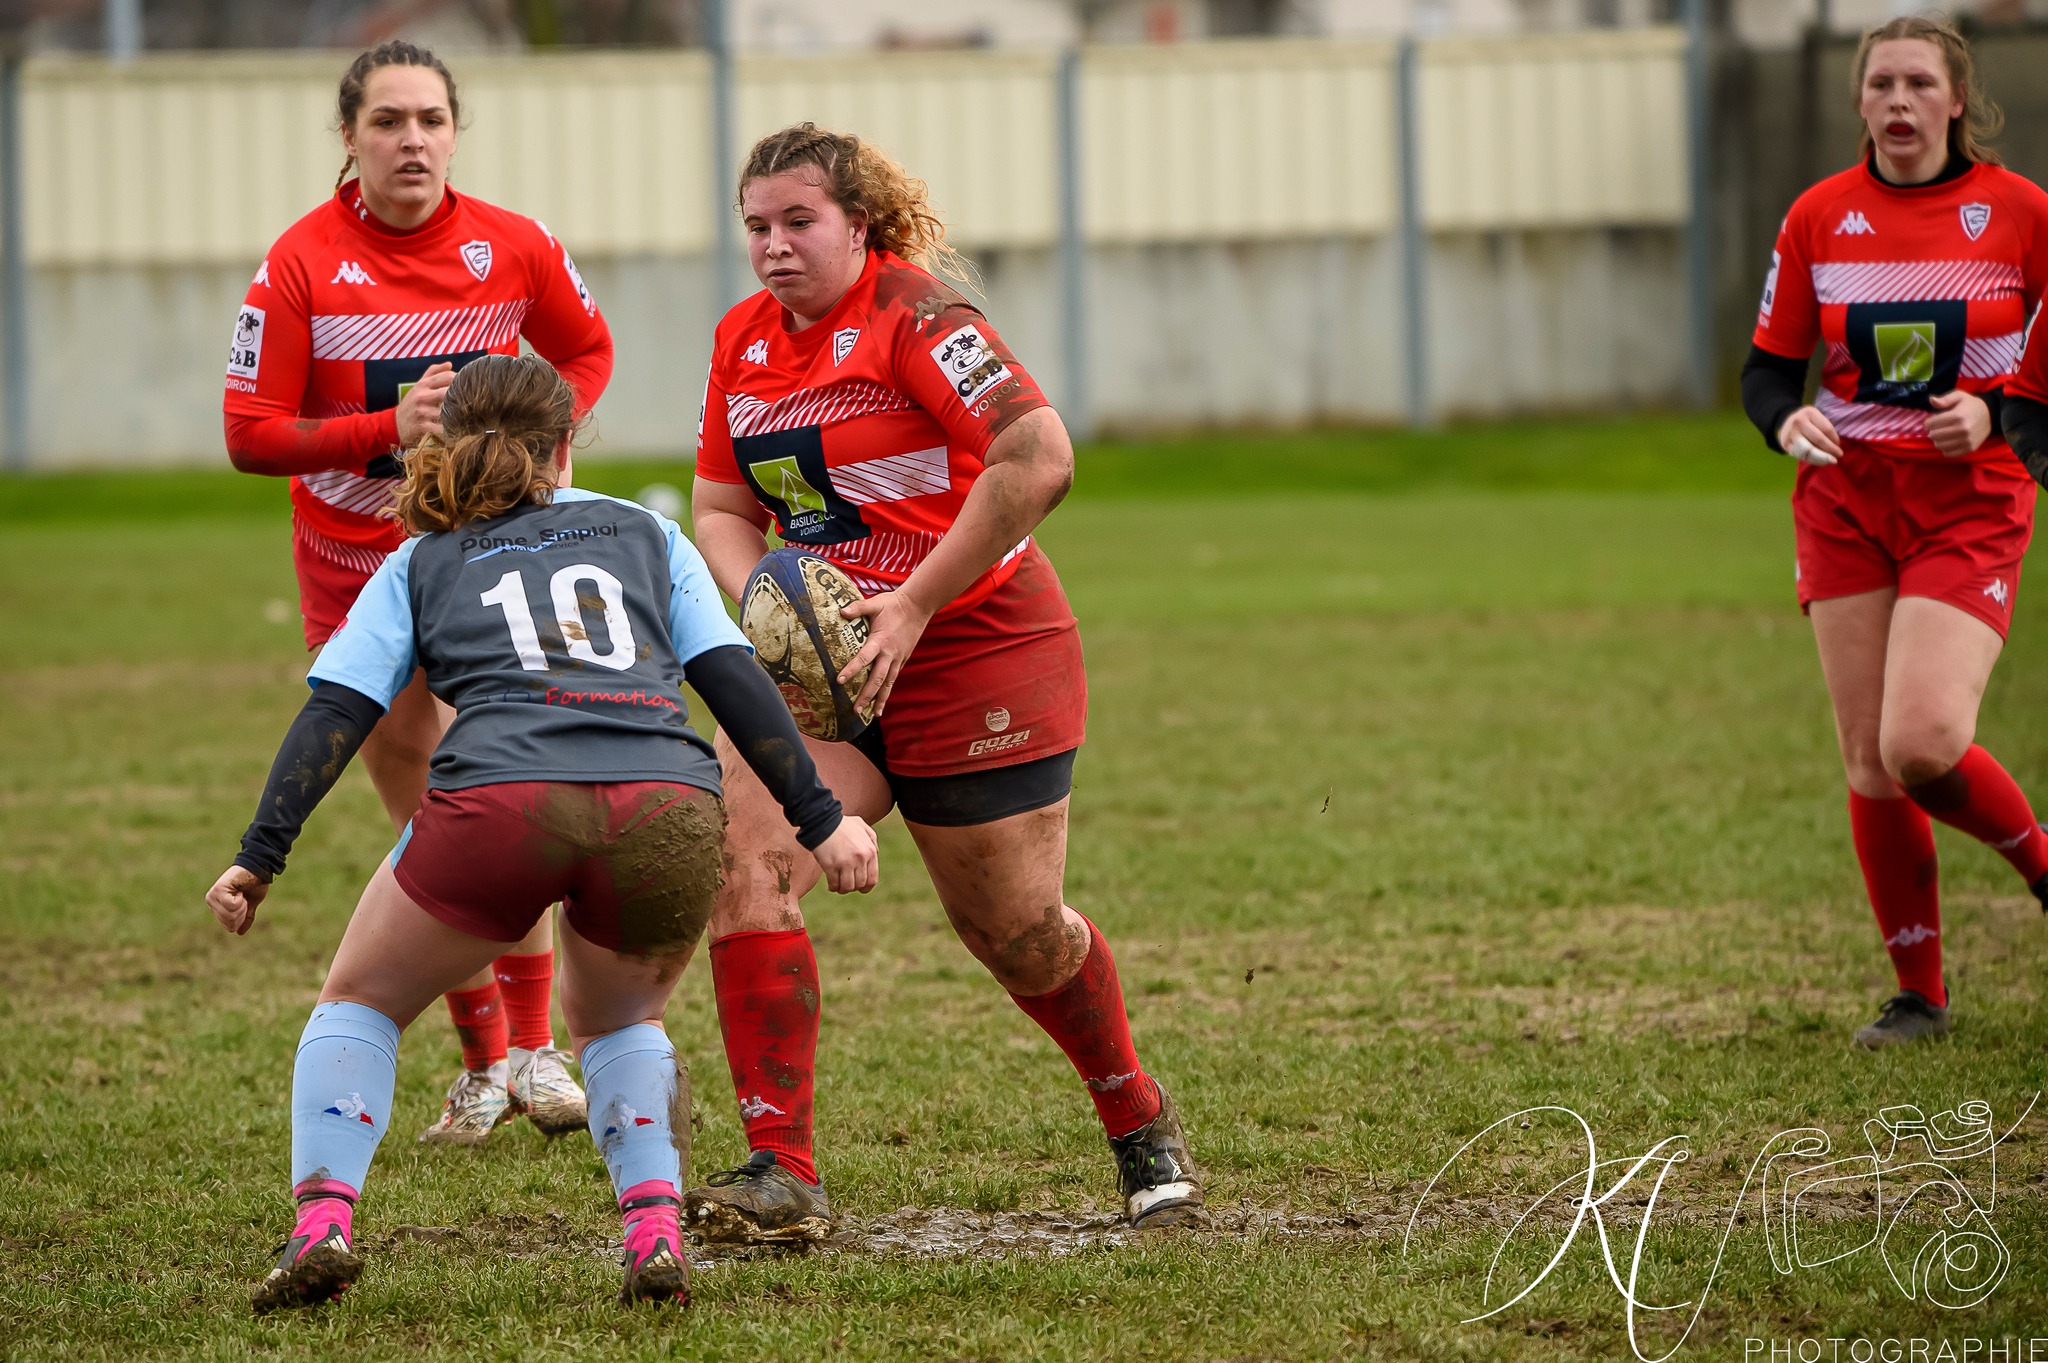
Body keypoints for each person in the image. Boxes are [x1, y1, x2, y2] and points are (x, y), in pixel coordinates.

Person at [204, 354, 880, 1313]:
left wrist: (258, 855)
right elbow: (734, 679)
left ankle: (321, 1226)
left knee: (357, 1000)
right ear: (567, 444)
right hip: (667, 805)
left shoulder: (422, 556)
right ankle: (653, 1231)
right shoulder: (648, 532)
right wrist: (822, 818)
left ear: (442, 447)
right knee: (618, 1023)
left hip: (499, 804)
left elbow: (336, 713)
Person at [683, 122, 1201, 1240]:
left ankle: (1135, 1112)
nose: (773, 247)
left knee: (1014, 932)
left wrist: (912, 601)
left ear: (855, 223)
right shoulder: (742, 342)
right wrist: (765, 608)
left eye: (798, 222)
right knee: (744, 850)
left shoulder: (920, 319)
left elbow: (1040, 456)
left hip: (974, 647)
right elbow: (722, 511)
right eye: (756, 227)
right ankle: (781, 1171)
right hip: (826, 676)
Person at [221, 40, 617, 1138]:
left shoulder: (515, 243)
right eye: (387, 121)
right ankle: (487, 1060)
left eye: (431, 120)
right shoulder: (298, 263)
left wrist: (546, 441)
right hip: (357, 578)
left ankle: (533, 1056)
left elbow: (587, 351)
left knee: (498, 790)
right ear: (347, 138)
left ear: (455, 132)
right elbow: (250, 436)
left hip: (488, 567)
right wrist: (382, 430)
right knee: (434, 818)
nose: (411, 140)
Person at [1740, 16, 2048, 1048]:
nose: (1898, 101)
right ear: (1857, 101)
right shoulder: (1818, 216)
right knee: (1867, 759)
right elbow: (1764, 370)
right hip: (1844, 499)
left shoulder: (2017, 214)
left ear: (1956, 100)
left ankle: (2042, 870)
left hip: (1969, 496)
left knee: (1917, 742)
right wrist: (1783, 417)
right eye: (1880, 84)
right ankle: (1917, 993)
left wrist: (1995, 403)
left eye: (1919, 83)